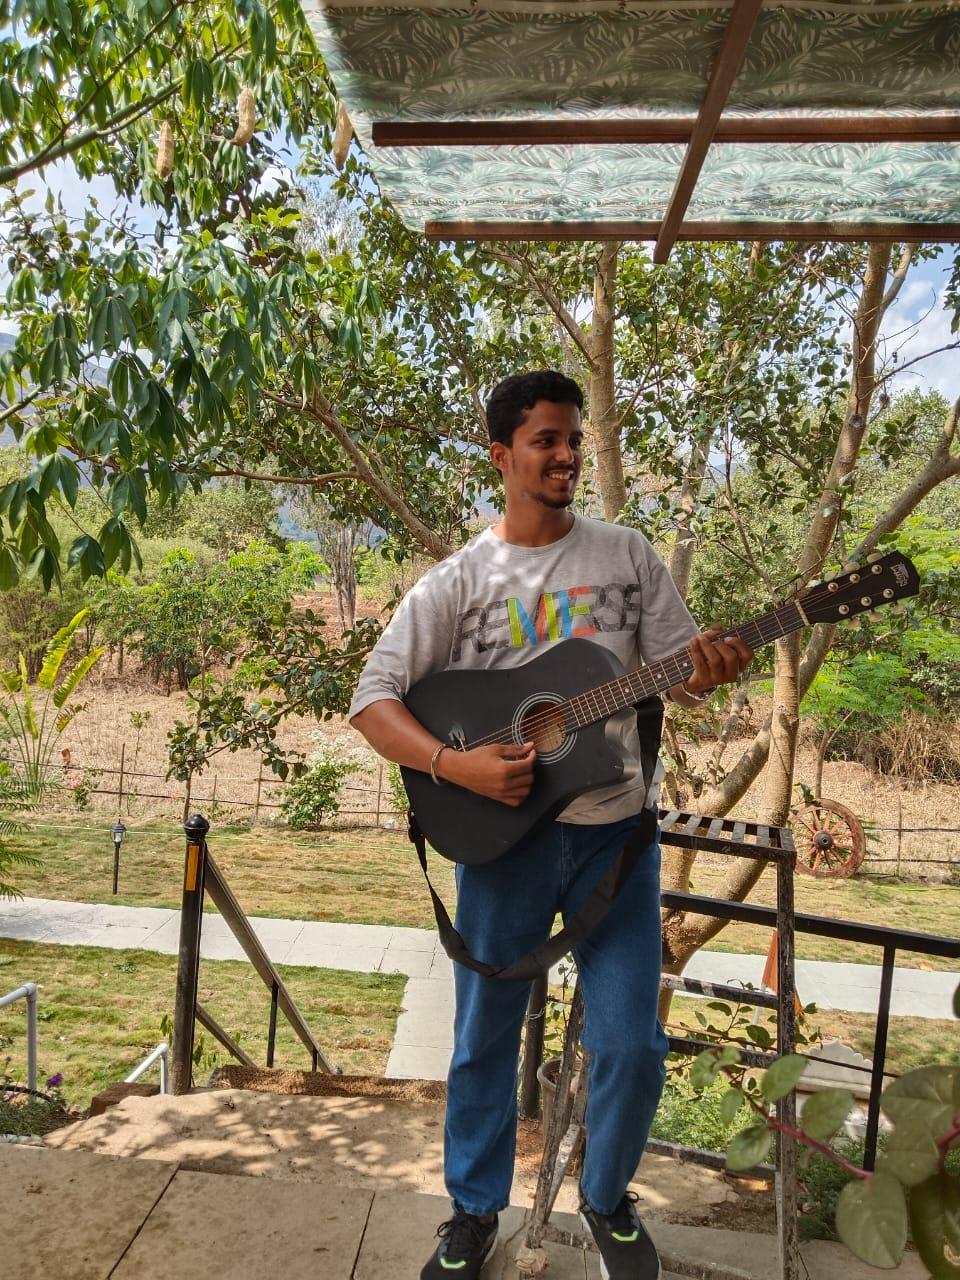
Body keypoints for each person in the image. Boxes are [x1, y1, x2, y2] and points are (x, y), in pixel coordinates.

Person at [349, 370, 752, 1280]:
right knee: (484, 1039)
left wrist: (708, 670)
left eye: (573, 439)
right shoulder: (461, 580)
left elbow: (680, 670)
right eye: (546, 441)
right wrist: (454, 765)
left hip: (616, 839)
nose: (568, 454)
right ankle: (472, 1212)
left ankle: (606, 1200)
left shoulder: (627, 555)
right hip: (506, 846)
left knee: (632, 1044)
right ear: (502, 455)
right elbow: (373, 701)